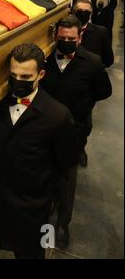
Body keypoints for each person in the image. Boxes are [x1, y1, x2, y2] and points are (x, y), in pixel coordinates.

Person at [0, 43, 80, 259]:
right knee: (7, 239)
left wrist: (59, 214)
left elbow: (66, 166)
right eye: (14, 75)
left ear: (40, 74)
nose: (18, 81)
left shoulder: (58, 116)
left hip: (33, 209)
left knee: (31, 254)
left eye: (25, 76)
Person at [41, 16, 112, 247]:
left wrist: (83, 105)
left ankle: (63, 223)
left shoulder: (92, 62)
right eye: (62, 38)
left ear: (79, 37)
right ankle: (48, 206)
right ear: (55, 36)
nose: (66, 42)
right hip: (46, 131)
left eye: (71, 39)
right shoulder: (44, 61)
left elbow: (104, 91)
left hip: (74, 130)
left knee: (67, 178)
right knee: (46, 173)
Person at [73, 0, 114, 68]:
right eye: (79, 11)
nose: (83, 14)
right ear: (73, 12)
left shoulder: (101, 32)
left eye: (87, 12)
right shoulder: (65, 31)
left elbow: (108, 60)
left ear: (91, 14)